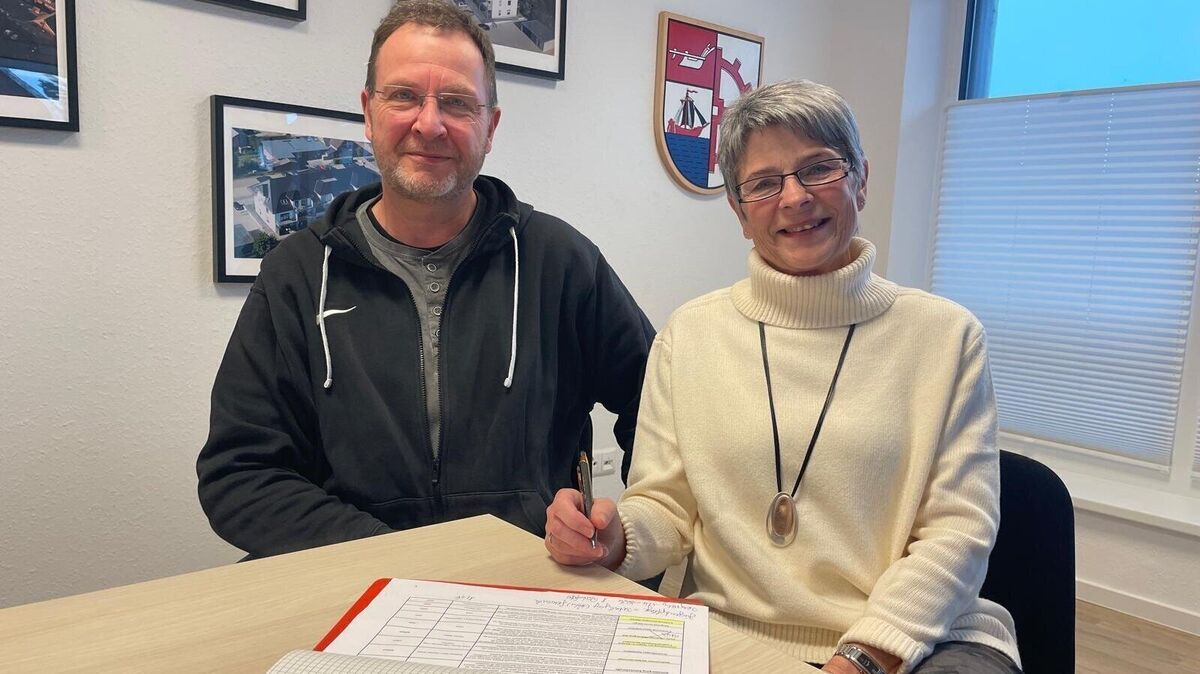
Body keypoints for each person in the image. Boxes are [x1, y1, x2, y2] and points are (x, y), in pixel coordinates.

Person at [545, 80, 1022, 674]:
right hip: (729, 632)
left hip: (920, 640)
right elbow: (666, 506)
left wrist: (864, 655)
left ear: (862, 180)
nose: (794, 198)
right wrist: (613, 538)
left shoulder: (946, 337)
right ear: (740, 212)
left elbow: (958, 532)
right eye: (765, 183)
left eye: (819, 169)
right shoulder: (690, 334)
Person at [198, 0, 653, 560]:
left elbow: (659, 409)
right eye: (405, 96)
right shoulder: (295, 273)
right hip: (354, 584)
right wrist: (395, 559)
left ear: (490, 126)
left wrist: (634, 523)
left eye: (458, 103)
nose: (429, 123)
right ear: (369, 111)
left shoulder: (559, 261)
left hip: (526, 587)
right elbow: (240, 474)